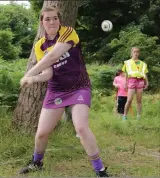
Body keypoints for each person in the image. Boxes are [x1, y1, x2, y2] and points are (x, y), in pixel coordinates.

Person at [19, 6, 109, 177]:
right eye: (47, 19)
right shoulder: (40, 45)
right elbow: (48, 72)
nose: (52, 22)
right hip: (57, 90)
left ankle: (101, 171)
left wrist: (29, 73)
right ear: (42, 22)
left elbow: (52, 57)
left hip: (79, 86)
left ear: (59, 20)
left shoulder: (68, 32)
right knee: (42, 133)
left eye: (55, 18)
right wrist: (33, 79)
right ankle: (36, 163)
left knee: (81, 127)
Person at [122, 47, 149, 120]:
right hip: (132, 80)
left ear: (139, 53)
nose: (136, 53)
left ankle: (138, 117)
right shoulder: (127, 62)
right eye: (134, 52)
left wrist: (147, 83)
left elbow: (145, 74)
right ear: (131, 53)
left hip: (140, 81)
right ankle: (124, 116)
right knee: (129, 99)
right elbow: (126, 74)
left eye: (137, 52)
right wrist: (125, 83)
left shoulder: (143, 64)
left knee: (139, 100)